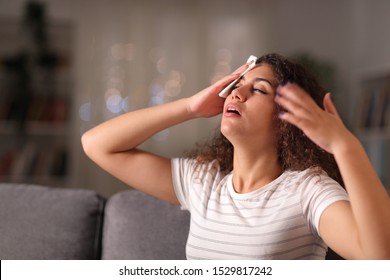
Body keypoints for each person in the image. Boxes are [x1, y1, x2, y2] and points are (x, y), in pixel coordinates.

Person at [81, 53, 390, 260]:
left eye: (259, 90)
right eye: (235, 85)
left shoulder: (307, 191)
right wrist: (190, 107)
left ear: (287, 119)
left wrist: (344, 146)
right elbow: (97, 144)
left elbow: (379, 258)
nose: (236, 94)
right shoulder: (203, 181)